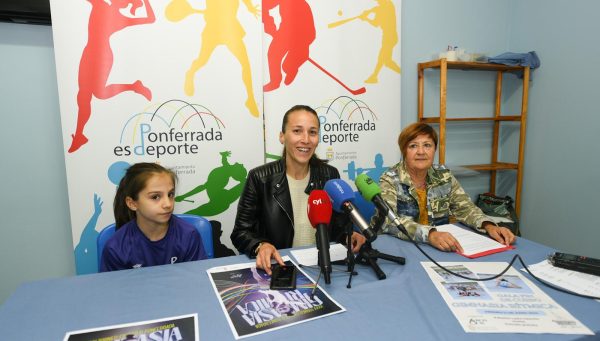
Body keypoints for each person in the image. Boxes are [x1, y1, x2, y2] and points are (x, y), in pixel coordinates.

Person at [231, 105, 366, 274]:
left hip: (322, 269)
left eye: (312, 132)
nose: (306, 140)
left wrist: (349, 235)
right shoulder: (259, 178)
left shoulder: (329, 175)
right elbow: (241, 232)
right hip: (280, 269)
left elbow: (338, 227)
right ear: (282, 136)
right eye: (297, 131)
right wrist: (260, 246)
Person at [375, 122, 515, 252]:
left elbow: (465, 208)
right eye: (413, 146)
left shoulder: (444, 175)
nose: (421, 152)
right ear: (404, 151)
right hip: (401, 248)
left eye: (427, 145)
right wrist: (430, 234)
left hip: (438, 249)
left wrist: (488, 225)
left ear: (435, 149)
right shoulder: (389, 179)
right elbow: (390, 221)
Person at [100, 163, 207, 272]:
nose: (168, 204)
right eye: (155, 197)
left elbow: (197, 280)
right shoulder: (116, 247)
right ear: (132, 203)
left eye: (170, 194)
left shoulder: (188, 235)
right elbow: (113, 287)